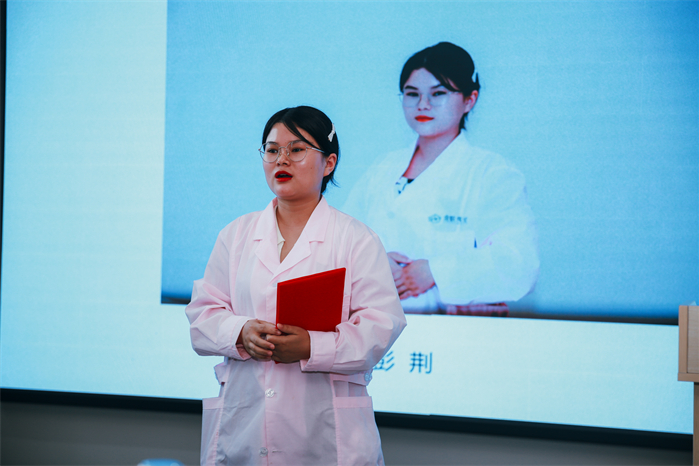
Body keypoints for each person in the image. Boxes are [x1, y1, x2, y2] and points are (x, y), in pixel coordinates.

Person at [185, 106, 406, 466]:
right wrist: (241, 331)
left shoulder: (356, 239)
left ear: (329, 163)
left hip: (327, 435)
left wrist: (312, 346)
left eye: (297, 149)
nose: (281, 159)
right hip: (244, 427)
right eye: (272, 150)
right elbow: (202, 316)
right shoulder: (236, 234)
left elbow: (381, 326)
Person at [343, 42, 539, 316]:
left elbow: (518, 264)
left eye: (438, 93)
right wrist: (371, 264)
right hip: (371, 328)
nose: (423, 104)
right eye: (412, 94)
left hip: (449, 332)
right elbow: (337, 246)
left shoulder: (492, 174)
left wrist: (435, 272)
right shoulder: (382, 169)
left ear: (470, 100)